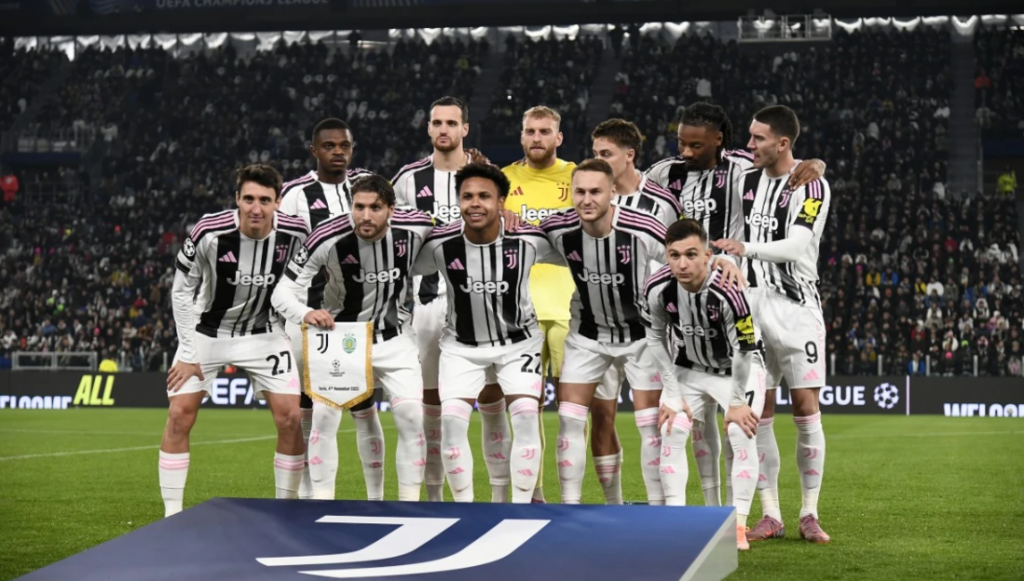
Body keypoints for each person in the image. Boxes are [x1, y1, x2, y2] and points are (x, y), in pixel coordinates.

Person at [646, 102, 825, 509]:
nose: (686, 152)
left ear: (718, 140)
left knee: (753, 412)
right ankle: (727, 509)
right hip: (698, 297)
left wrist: (815, 163)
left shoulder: (744, 166)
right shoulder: (664, 172)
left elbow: (782, 159)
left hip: (746, 293)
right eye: (681, 143)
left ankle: (761, 512)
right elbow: (627, 181)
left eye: (696, 145)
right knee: (706, 415)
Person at [272, 175, 435, 502]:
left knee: (412, 416)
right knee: (323, 417)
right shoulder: (327, 235)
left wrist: (505, 217)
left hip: (394, 337)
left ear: (391, 209)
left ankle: (408, 506)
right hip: (341, 339)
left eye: (375, 208)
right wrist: (305, 313)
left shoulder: (417, 225)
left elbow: (462, 231)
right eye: (359, 207)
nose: (365, 216)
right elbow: (282, 291)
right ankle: (321, 504)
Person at [159, 164, 308, 517]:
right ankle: (172, 514)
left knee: (291, 418)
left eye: (265, 200)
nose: (256, 208)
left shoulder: (298, 233)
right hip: (208, 332)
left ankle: (286, 511)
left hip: (265, 333)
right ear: (237, 199)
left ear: (278, 202)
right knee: (179, 414)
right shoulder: (209, 231)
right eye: (249, 199)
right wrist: (188, 353)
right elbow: (181, 292)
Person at [713, 105, 832, 544]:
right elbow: (708, 158)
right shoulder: (745, 175)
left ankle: (809, 512)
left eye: (758, 138)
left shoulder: (812, 184)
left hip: (798, 309)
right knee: (757, 412)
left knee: (805, 407)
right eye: (749, 137)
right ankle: (771, 513)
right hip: (752, 307)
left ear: (782, 143)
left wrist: (743, 248)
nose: (749, 145)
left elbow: (797, 246)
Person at [412, 162, 562, 503]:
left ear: (501, 202)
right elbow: (400, 260)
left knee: (526, 417)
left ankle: (516, 509)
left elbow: (576, 252)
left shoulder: (529, 239)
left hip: (519, 344)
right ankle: (465, 510)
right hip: (461, 347)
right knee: (452, 425)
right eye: (467, 197)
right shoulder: (440, 243)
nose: (475, 204)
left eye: (484, 196)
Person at [391, 96, 504, 502]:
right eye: (437, 122)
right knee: (430, 403)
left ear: (465, 129)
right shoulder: (407, 180)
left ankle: (498, 496)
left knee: (491, 398)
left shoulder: (485, 175)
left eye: (452, 123)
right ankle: (436, 498)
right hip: (426, 304)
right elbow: (396, 242)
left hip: (481, 302)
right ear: (428, 128)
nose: (444, 129)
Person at [539, 159, 667, 505]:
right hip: (587, 337)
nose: (586, 199)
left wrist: (720, 262)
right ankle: (571, 507)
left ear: (613, 192)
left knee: (650, 425)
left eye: (595, 191)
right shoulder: (558, 229)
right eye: (579, 192)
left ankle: (659, 509)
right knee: (569, 419)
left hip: (641, 338)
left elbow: (684, 255)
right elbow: (518, 242)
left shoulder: (642, 227)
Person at [645, 218, 767, 551]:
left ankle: (737, 525)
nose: (682, 264)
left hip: (737, 370)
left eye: (691, 254)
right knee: (671, 428)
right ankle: (677, 520)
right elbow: (655, 338)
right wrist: (671, 393)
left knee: (741, 431)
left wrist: (737, 402)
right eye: (674, 255)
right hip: (690, 368)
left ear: (707, 255)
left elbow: (744, 349)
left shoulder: (729, 291)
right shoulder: (657, 287)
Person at [278, 117, 375, 499]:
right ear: (314, 150)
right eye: (329, 146)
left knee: (364, 405)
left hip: (358, 316)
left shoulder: (365, 184)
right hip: (309, 318)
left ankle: (375, 497)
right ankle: (306, 495)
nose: (337, 152)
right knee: (306, 407)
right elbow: (282, 253)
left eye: (344, 146)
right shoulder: (295, 194)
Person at [498, 105, 577, 503]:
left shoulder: (578, 177)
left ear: (558, 137)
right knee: (525, 411)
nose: (536, 138)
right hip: (519, 313)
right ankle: (534, 494)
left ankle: (570, 498)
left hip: (569, 309)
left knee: (572, 412)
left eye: (545, 131)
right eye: (530, 131)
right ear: (521, 136)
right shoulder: (503, 180)